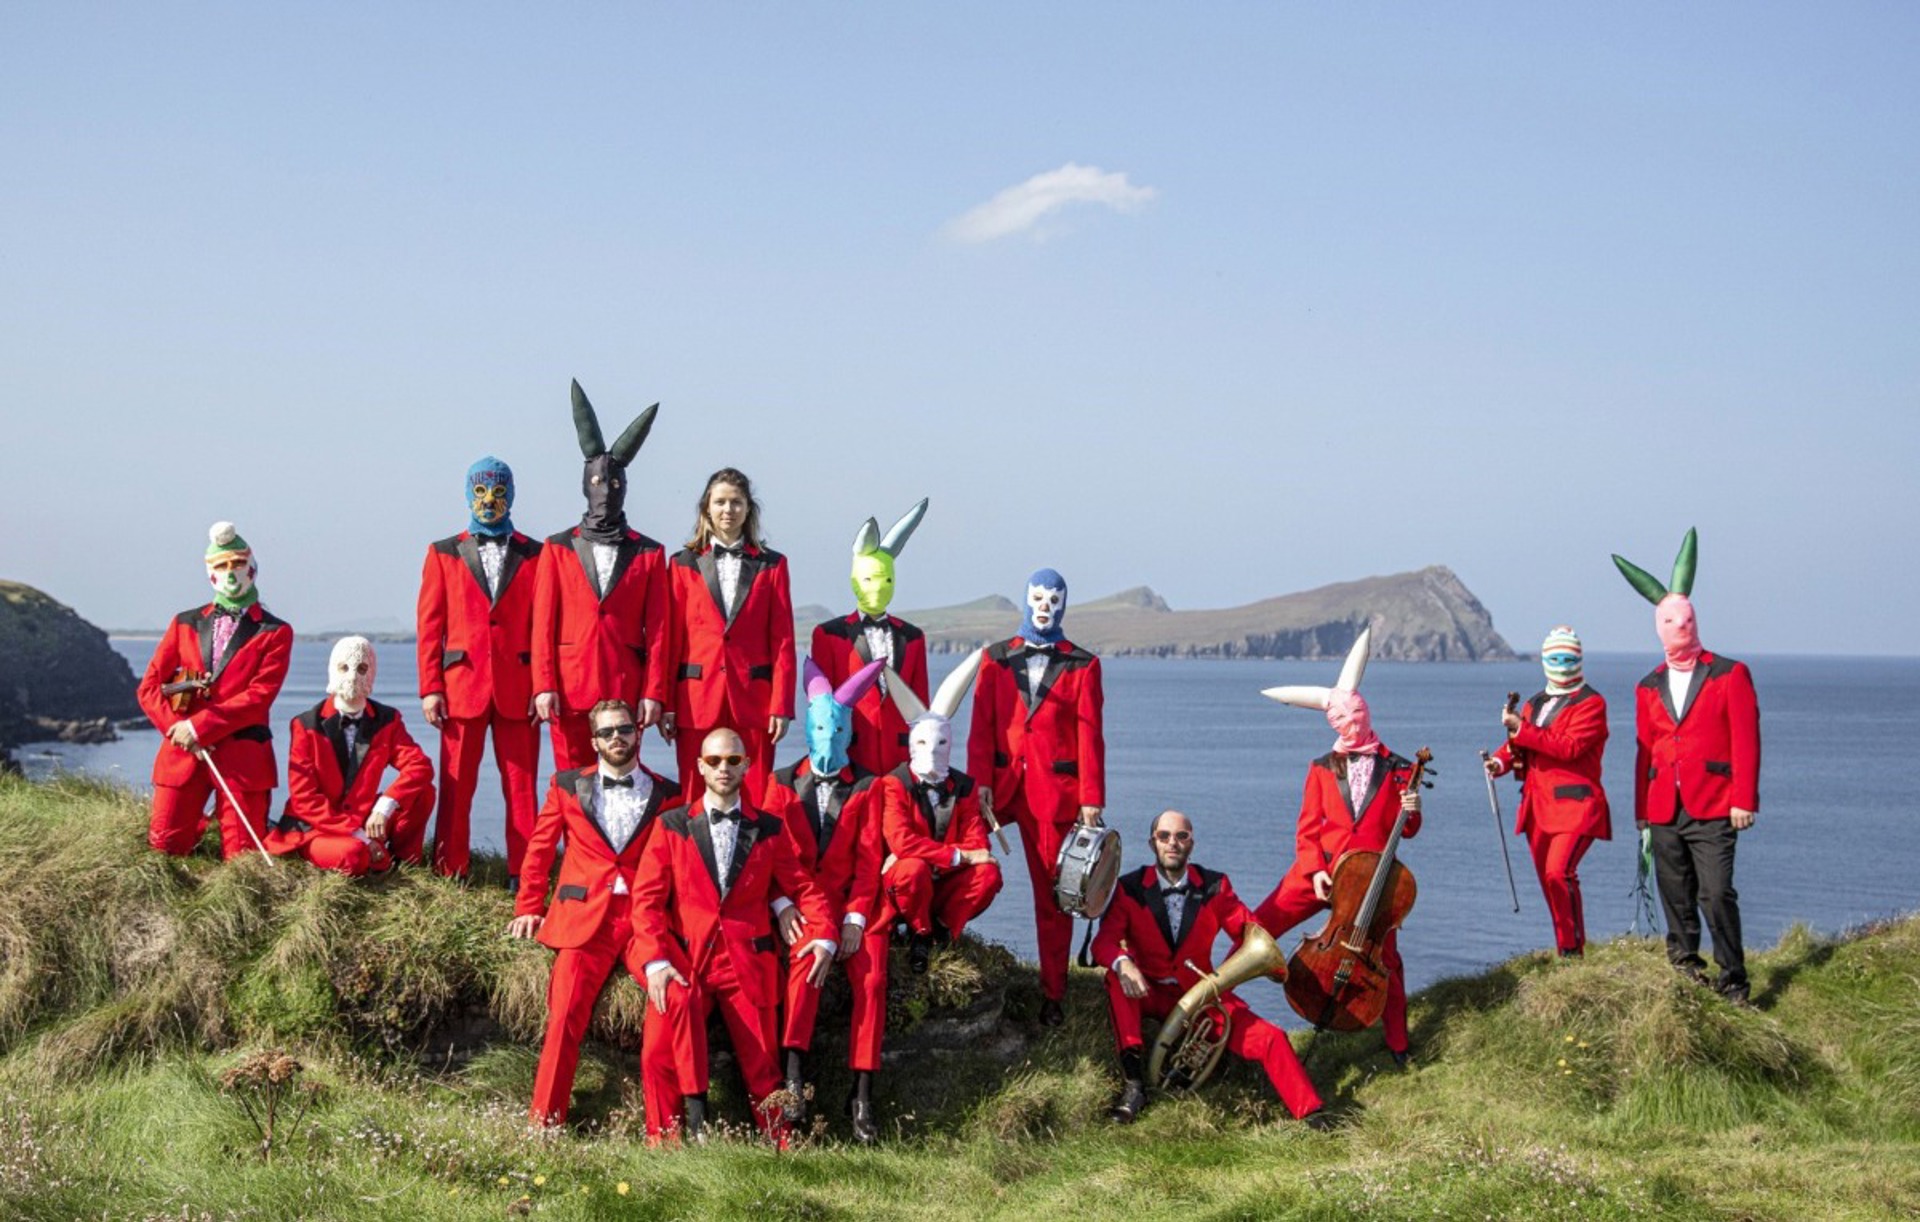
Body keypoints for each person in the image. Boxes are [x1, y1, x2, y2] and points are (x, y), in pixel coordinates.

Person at [632, 729, 835, 1144]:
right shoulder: (670, 826)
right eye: (714, 760)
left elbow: (803, 887)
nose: (723, 768)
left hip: (747, 962)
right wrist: (655, 960)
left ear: (746, 765)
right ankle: (665, 1146)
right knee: (656, 1053)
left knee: (763, 1065)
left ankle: (783, 1150)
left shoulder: (770, 828)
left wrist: (826, 935)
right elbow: (646, 901)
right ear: (700, 766)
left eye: (732, 760)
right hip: (687, 962)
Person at [1094, 810, 1328, 1128]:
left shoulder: (1216, 886)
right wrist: (1124, 963)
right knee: (1114, 980)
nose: (1172, 843)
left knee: (1270, 1037)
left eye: (1181, 836)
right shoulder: (1129, 888)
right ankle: (1134, 1087)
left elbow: (1248, 929)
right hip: (1149, 988)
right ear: (1153, 843)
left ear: (1192, 843)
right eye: (1164, 836)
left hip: (1200, 993)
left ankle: (1310, 1112)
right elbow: (1103, 942)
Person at [1254, 628, 1423, 1065]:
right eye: (1340, 719)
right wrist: (1315, 871)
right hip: (1320, 872)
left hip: (1369, 882)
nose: (1349, 723)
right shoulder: (1320, 768)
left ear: (1365, 713)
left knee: (1389, 961)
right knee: (1255, 930)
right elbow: (1307, 829)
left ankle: (1398, 1044)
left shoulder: (1401, 768)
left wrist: (1414, 807)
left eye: (1354, 715)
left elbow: (1409, 829)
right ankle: (1219, 1005)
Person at [509, 699, 676, 1129]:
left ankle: (664, 1131)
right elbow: (540, 849)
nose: (616, 737)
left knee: (672, 998)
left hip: (644, 922)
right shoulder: (566, 785)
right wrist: (529, 905)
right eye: (606, 732)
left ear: (638, 731)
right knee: (563, 1014)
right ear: (593, 740)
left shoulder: (669, 794)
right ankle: (544, 1123)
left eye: (623, 729)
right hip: (585, 922)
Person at [1614, 529, 1761, 1004]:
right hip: (1663, 806)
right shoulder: (1646, 685)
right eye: (1671, 619)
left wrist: (1743, 798)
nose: (1680, 625)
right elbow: (1644, 750)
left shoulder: (1728, 673)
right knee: (1674, 892)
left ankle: (1733, 978)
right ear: (1659, 626)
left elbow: (1746, 738)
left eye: (1687, 617)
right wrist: (1641, 811)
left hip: (1716, 804)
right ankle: (1685, 967)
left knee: (1716, 893)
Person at [967, 569, 1104, 1026]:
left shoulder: (1084, 665)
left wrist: (1092, 799)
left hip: (1056, 797)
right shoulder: (994, 658)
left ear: (1064, 604)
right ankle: (937, 948)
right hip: (1001, 789)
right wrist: (978, 780)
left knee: (1054, 894)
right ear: (1026, 600)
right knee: (955, 853)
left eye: (1053, 599)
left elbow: (1091, 736)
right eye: (1038, 598)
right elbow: (981, 726)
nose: (1044, 606)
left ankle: (1053, 992)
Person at [761, 657, 887, 1138]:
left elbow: (869, 858)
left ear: (849, 731)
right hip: (800, 905)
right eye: (820, 728)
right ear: (807, 729)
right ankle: (793, 1075)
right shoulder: (778, 784)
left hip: (856, 907)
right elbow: (770, 856)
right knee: (804, 965)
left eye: (837, 730)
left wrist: (854, 918)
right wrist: (780, 903)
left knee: (872, 982)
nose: (829, 738)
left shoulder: (869, 786)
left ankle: (862, 1093)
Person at [416, 455, 544, 883]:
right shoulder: (442, 553)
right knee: (456, 786)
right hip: (459, 687)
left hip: (519, 688)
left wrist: (542, 686)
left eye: (499, 492)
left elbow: (545, 627)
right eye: (480, 491)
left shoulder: (537, 554)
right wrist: (430, 687)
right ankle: (451, 870)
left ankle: (525, 876)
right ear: (468, 492)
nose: (489, 501)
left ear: (512, 495)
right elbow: (429, 626)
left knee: (522, 789)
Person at [532, 381, 670, 771]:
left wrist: (654, 692)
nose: (605, 493)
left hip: (626, 685)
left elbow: (659, 629)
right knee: (571, 780)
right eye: (597, 484)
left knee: (625, 778)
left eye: (612, 484)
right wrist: (544, 685)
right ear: (584, 485)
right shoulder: (557, 549)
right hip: (569, 687)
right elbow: (543, 624)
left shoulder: (649, 552)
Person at [135, 522, 292, 859]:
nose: (230, 572)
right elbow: (149, 688)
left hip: (243, 759)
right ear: (210, 574)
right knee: (164, 849)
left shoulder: (275, 632)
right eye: (221, 565)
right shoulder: (183, 623)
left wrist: (199, 726)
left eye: (236, 562)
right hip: (182, 754)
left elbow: (260, 696)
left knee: (242, 859)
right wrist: (175, 729)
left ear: (252, 567)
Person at [662, 469, 796, 793]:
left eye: (736, 502)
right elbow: (671, 640)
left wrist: (782, 705)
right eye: (720, 501)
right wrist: (667, 702)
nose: (728, 509)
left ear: (749, 508)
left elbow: (783, 640)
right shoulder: (681, 564)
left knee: (756, 793)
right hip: (695, 697)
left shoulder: (772, 565)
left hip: (754, 698)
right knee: (693, 792)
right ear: (707, 507)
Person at [1484, 626, 1611, 957]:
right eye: (1555, 658)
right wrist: (1499, 762)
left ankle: (1574, 951)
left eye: (1569, 658)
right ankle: (1565, 948)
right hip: (1536, 807)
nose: (1563, 664)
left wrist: (1520, 729)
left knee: (1559, 872)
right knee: (1549, 882)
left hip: (1576, 805)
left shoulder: (1591, 703)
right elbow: (1518, 746)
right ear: (1544, 660)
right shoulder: (1534, 703)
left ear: (1580, 659)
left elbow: (1569, 747)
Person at [879, 652, 1003, 977]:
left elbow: (978, 841)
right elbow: (902, 842)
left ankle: (943, 932)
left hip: (944, 882)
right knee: (912, 869)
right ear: (911, 743)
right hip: (910, 881)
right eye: (922, 742)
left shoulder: (964, 786)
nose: (932, 751)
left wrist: (970, 857)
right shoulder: (894, 783)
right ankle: (918, 932)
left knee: (989, 874)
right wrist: (958, 856)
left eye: (941, 743)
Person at [269, 637, 435, 875]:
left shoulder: (387, 719)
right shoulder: (305, 725)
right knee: (353, 854)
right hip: (317, 826)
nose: (353, 676)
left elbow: (419, 765)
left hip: (363, 816)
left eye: (362, 668)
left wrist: (385, 806)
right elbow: (304, 799)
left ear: (372, 673)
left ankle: (404, 862)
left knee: (423, 792)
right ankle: (372, 854)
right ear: (332, 670)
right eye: (344, 668)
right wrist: (361, 837)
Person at [810, 499, 931, 777]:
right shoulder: (829, 635)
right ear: (855, 580)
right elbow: (822, 707)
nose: (878, 587)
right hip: (850, 758)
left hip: (901, 761)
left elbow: (920, 704)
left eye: (886, 580)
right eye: (869, 579)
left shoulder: (913, 638)